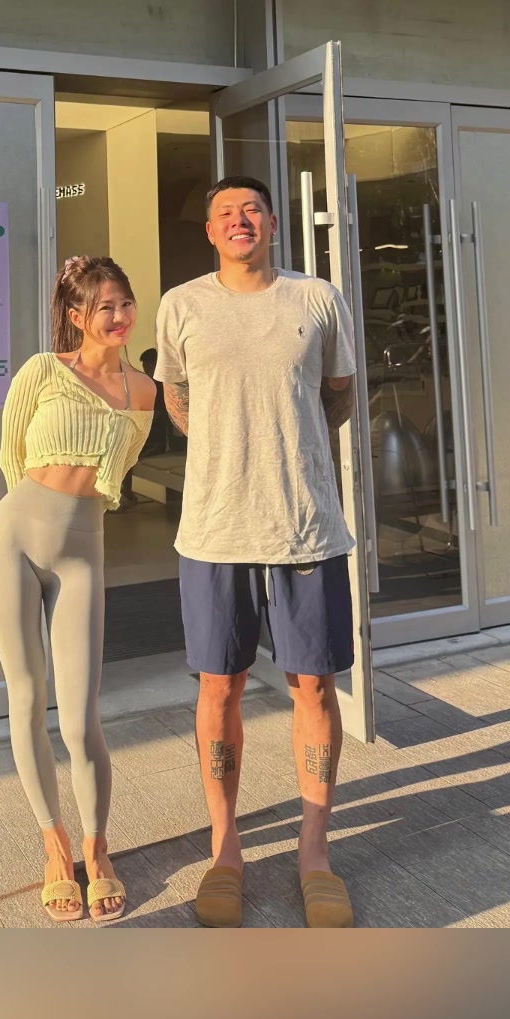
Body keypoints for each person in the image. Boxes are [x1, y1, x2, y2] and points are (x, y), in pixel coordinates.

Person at [155, 175, 358, 930]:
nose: (239, 220)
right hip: (214, 526)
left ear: (272, 223)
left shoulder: (317, 299)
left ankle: (314, 852)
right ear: (210, 231)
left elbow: (338, 392)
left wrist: (291, 447)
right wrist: (228, 444)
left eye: (251, 210)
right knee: (219, 688)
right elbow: (177, 398)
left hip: (304, 522)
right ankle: (226, 850)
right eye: (225, 213)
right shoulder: (182, 305)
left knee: (314, 686)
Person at [0, 255, 155, 924]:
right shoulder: (43, 371)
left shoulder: (144, 392)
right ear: (77, 316)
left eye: (125, 302)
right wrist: (34, 522)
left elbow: (116, 475)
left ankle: (96, 847)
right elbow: (10, 457)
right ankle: (54, 846)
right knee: (27, 697)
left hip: (83, 554)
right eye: (104, 306)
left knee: (81, 720)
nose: (119, 316)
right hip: (12, 539)